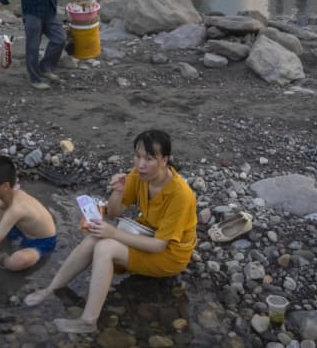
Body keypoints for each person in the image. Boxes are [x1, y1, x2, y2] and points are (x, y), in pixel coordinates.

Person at [24, 130, 197, 334]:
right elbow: (115, 213)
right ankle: (51, 288)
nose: (140, 164)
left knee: (106, 247)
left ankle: (88, 321)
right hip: (146, 234)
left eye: (149, 159)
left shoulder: (180, 195)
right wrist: (118, 191)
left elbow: (160, 245)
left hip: (170, 255)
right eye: (138, 156)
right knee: (94, 238)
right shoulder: (139, 174)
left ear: (164, 160)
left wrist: (113, 234)